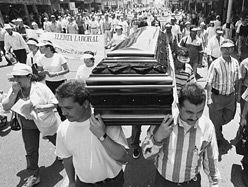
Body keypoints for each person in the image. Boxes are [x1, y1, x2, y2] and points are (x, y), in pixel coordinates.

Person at [142, 83, 220, 187]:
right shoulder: (165, 121)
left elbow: (211, 161)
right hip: (163, 182)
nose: (195, 117)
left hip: (191, 183)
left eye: (200, 112)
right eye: (189, 112)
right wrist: (158, 138)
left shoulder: (207, 126)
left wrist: (214, 184)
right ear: (179, 107)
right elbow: (146, 155)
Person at [55, 80, 129, 187]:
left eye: (68, 108)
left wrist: (101, 135)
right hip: (82, 184)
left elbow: (123, 156)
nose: (63, 113)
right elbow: (67, 157)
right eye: (61, 107)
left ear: (85, 104)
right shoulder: (63, 128)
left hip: (112, 183)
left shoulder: (105, 122)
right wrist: (71, 181)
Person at [2, 63, 61, 187]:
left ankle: (65, 154)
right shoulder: (14, 89)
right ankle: (34, 175)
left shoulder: (41, 88)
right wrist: (13, 93)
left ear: (29, 77)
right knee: (31, 150)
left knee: (58, 142)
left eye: (19, 77)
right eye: (15, 76)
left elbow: (55, 103)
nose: (16, 80)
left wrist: (42, 107)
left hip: (44, 123)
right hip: (27, 125)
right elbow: (6, 106)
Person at [206, 39, 241, 145]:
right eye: (225, 48)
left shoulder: (235, 62)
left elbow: (238, 80)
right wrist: (209, 98)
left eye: (230, 48)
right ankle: (217, 137)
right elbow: (209, 82)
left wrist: (238, 94)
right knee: (216, 119)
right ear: (221, 49)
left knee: (230, 116)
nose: (227, 51)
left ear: (232, 49)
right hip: (217, 97)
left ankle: (216, 126)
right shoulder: (215, 64)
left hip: (230, 96)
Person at [37, 40, 69, 121]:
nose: (39, 49)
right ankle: (63, 119)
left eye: (41, 47)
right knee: (55, 101)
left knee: (64, 100)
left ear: (48, 48)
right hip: (49, 83)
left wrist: (56, 74)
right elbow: (39, 72)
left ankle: (68, 117)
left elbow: (67, 69)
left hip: (61, 82)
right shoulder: (40, 58)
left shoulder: (59, 57)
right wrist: (44, 73)